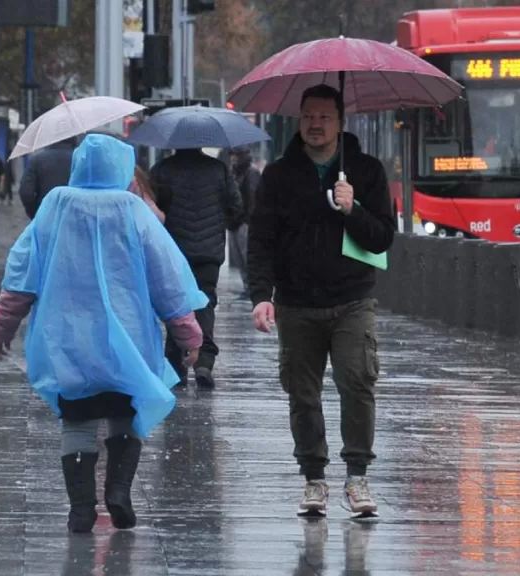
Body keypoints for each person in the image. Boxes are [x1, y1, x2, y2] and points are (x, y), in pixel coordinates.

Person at [0, 134, 207, 534]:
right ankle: (118, 490)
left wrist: (1, 328)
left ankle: (81, 507)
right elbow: (167, 280)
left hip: (68, 341)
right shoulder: (134, 211)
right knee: (124, 415)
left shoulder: (54, 207)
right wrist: (189, 334)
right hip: (127, 340)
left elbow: (21, 275)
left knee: (77, 421)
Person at [247, 84, 396, 519]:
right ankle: (314, 477)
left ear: (340, 123)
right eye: (309, 116)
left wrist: (354, 210)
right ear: (300, 120)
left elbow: (384, 236)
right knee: (303, 394)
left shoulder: (366, 171)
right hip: (296, 304)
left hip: (352, 299)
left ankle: (357, 475)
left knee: (357, 382)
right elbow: (261, 241)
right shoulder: (277, 176)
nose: (316, 124)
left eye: (325, 117)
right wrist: (262, 296)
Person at [151, 148, 245, 388]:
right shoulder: (219, 169)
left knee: (175, 305)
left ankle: (176, 365)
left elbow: (152, 208)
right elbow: (235, 207)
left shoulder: (163, 169)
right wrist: (219, 223)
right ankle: (204, 361)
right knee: (205, 303)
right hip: (209, 253)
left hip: (174, 252)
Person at [228, 146, 262, 294]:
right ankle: (247, 285)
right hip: (235, 222)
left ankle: (252, 286)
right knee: (239, 258)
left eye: (236, 155)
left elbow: (253, 199)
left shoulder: (251, 172)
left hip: (244, 222)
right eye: (232, 155)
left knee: (246, 256)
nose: (233, 158)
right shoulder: (232, 172)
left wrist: (247, 220)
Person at [19, 136, 77, 220]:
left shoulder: (37, 160)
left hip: (45, 218)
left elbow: (26, 192)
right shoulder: (81, 160)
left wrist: (36, 213)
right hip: (74, 220)